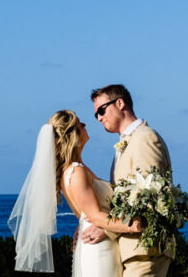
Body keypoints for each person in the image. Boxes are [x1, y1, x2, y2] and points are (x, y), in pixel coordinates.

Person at [10, 109, 143, 274]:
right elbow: (94, 216)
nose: (85, 124)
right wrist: (132, 225)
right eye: (80, 123)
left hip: (98, 242)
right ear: (72, 135)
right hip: (98, 248)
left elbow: (85, 214)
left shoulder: (75, 170)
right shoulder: (76, 171)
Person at [87, 84, 173, 277]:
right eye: (96, 115)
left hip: (146, 249)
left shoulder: (145, 138)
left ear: (120, 103)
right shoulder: (126, 143)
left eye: (101, 110)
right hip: (133, 250)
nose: (99, 118)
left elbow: (149, 199)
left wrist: (107, 229)